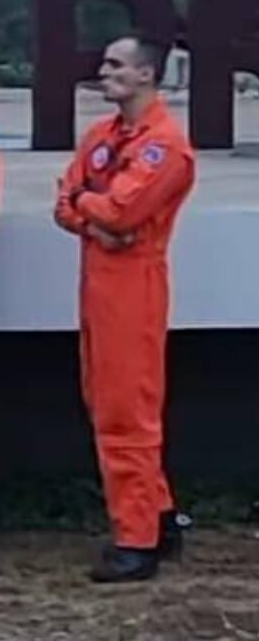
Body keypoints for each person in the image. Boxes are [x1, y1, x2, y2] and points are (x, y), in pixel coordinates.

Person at [54, 31, 195, 584]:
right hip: (98, 280)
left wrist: (90, 209)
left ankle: (136, 541)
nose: (104, 69)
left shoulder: (166, 145)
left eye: (116, 64)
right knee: (103, 401)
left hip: (134, 287)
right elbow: (64, 205)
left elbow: (120, 209)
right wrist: (94, 215)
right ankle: (157, 517)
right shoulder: (101, 136)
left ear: (146, 75)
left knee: (125, 413)